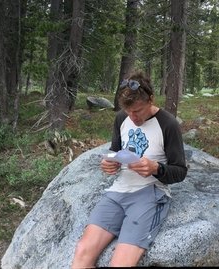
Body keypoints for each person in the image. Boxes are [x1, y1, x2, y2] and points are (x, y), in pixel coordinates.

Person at [72, 71, 188, 268]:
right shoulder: (121, 119)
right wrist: (110, 163)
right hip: (118, 191)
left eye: (138, 111)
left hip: (150, 194)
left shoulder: (168, 124)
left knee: (120, 263)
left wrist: (156, 168)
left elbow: (180, 171)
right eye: (128, 111)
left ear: (150, 99)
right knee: (82, 251)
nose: (133, 117)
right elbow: (115, 151)